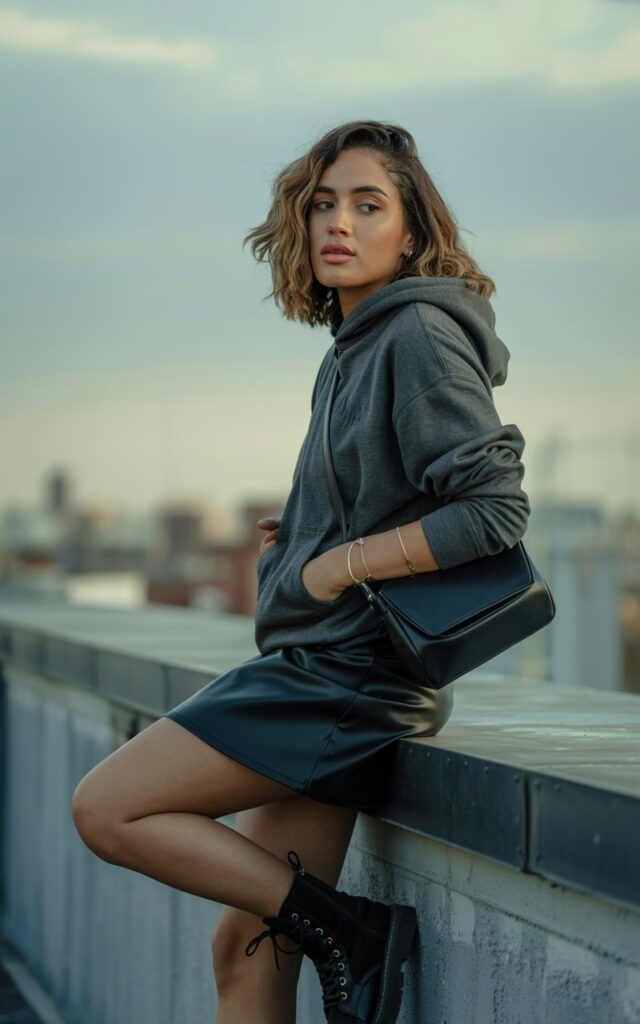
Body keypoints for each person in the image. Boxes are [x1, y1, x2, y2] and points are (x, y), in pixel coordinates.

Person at [71, 119, 531, 1024]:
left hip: (341, 681)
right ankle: (337, 929)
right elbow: (401, 489)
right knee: (247, 959)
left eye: (369, 204)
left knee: (108, 808)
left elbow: (496, 511)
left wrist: (339, 564)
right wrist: (315, 528)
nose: (339, 223)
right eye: (324, 203)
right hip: (324, 672)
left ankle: (352, 930)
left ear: (413, 230)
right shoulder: (353, 346)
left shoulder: (418, 337)